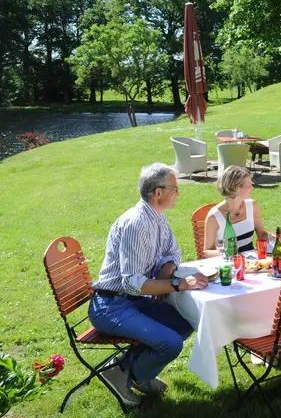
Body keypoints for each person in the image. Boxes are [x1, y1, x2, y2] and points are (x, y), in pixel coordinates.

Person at [89, 163, 208, 405]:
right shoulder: (136, 224)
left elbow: (173, 251)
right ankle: (125, 373)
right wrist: (178, 284)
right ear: (158, 192)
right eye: (174, 189)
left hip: (133, 301)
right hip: (112, 306)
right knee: (171, 343)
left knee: (185, 321)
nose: (178, 193)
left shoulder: (157, 217)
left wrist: (166, 272)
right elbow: (133, 284)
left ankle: (132, 371)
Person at [203, 166, 268, 257]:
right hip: (228, 264)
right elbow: (207, 251)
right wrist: (227, 253)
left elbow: (262, 234)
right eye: (248, 184)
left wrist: (279, 238)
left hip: (252, 263)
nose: (252, 187)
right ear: (235, 188)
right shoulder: (214, 217)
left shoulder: (252, 206)